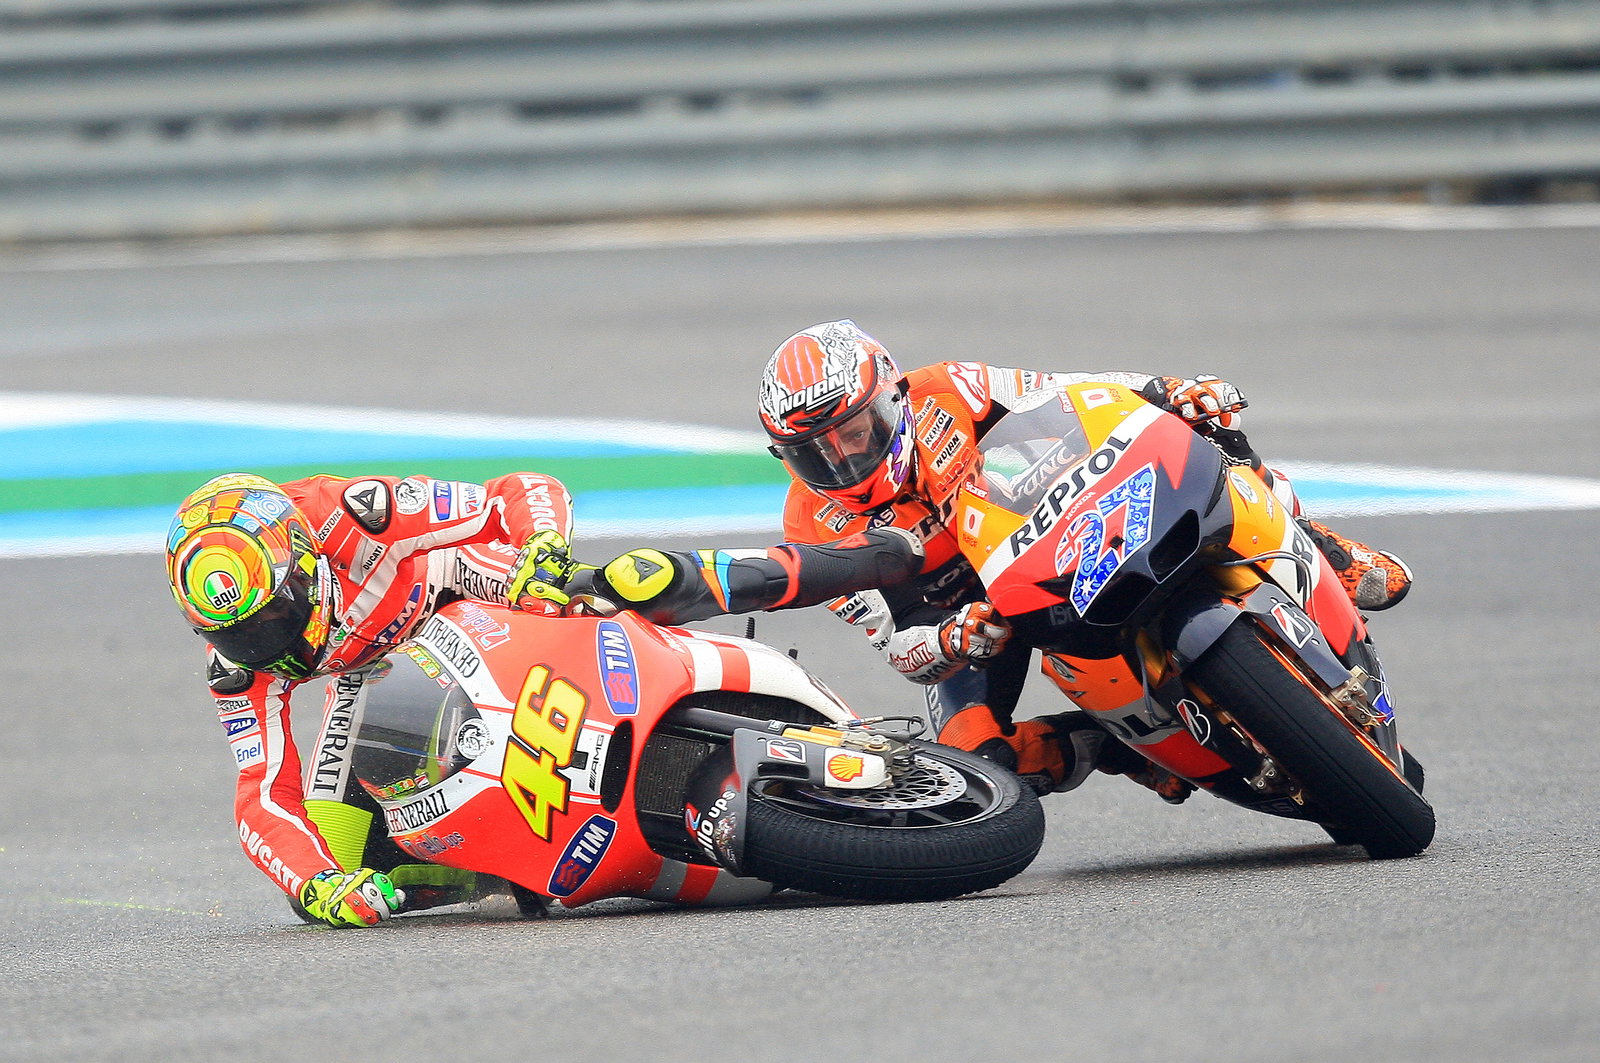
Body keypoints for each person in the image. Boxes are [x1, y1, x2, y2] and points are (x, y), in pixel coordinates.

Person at [563, 320, 1413, 801]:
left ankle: (1328, 552)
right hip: (973, 616)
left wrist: (1167, 391)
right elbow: (897, 647)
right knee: (976, 768)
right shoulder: (811, 519)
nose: (845, 463)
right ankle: (1118, 748)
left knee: (1208, 432)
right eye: (816, 453)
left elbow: (1078, 394)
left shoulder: (950, 387)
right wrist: (953, 640)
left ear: (889, 396)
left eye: (853, 434)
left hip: (1053, 529)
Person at [165, 469, 582, 928]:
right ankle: (493, 872)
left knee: (563, 591)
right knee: (322, 884)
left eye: (276, 616)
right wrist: (317, 883)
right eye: (240, 637)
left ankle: (661, 629)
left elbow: (522, 489)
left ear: (305, 565)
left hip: (454, 589)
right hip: (370, 673)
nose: (265, 646)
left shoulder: (357, 512)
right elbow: (262, 795)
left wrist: (542, 547)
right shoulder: (236, 670)